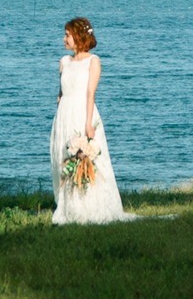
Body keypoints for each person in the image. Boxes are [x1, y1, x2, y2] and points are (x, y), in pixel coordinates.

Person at [50, 16, 132, 224]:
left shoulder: (93, 62)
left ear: (78, 36)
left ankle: (88, 205)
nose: (64, 39)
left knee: (84, 159)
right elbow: (61, 92)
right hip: (65, 113)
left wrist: (88, 123)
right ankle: (67, 205)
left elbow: (90, 94)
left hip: (82, 111)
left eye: (67, 35)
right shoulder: (64, 62)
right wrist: (58, 110)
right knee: (64, 157)